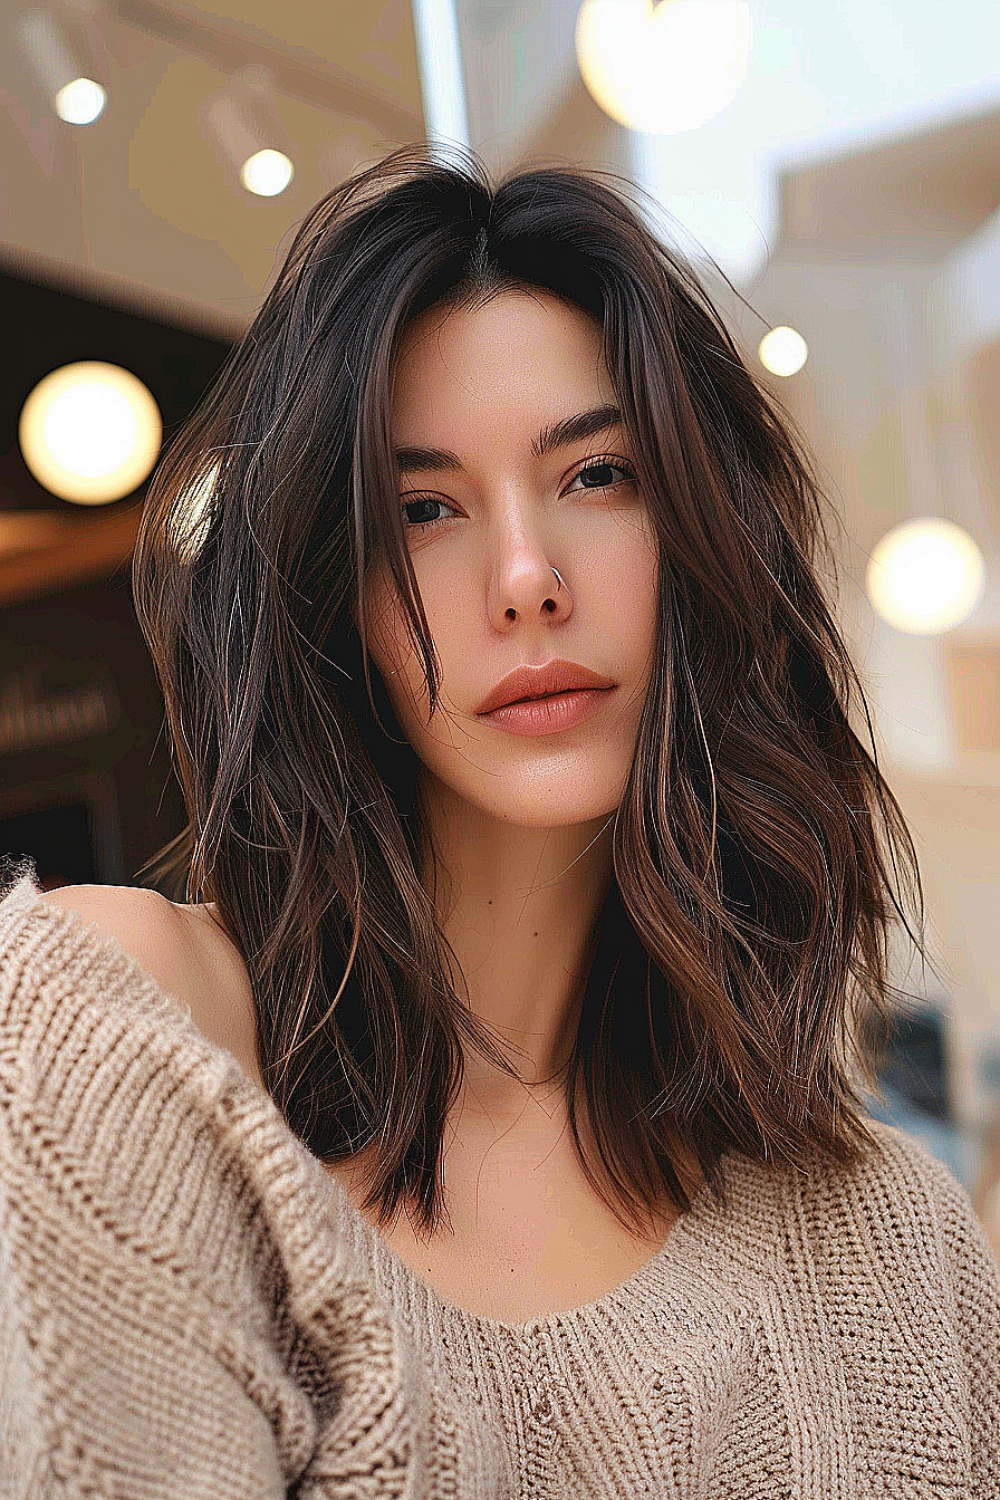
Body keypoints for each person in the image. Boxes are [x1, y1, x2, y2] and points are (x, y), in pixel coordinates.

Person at [2, 142, 998, 1496]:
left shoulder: (893, 1242)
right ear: (328, 602)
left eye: (596, 477)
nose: (526, 579)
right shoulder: (137, 1037)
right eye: (423, 509)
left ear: (700, 545)